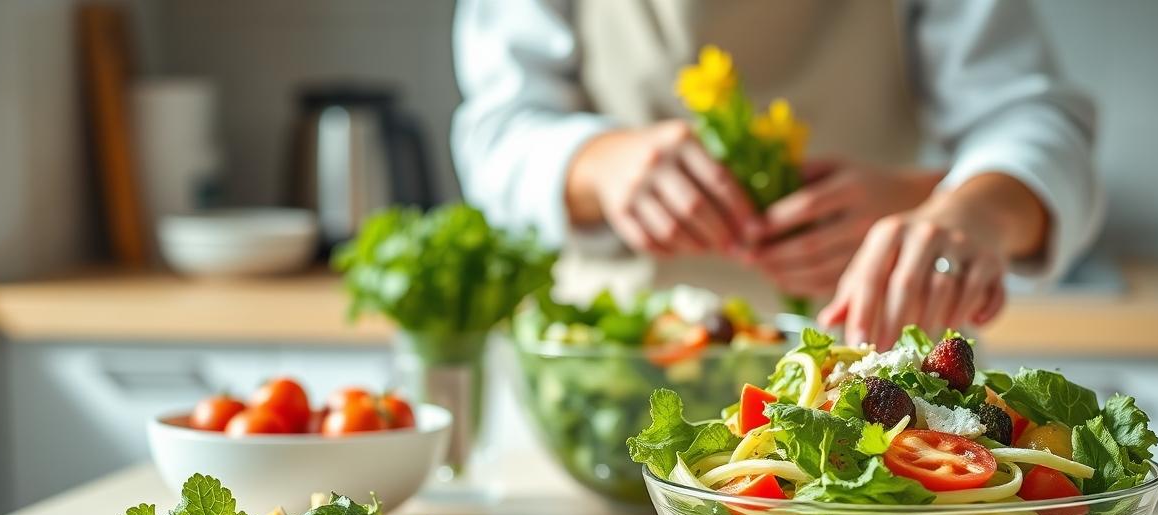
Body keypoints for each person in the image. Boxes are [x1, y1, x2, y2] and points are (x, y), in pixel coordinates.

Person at [450, 0, 1102, 349]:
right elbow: (497, 129)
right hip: (613, 378)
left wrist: (971, 212)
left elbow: (1034, 118)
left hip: (871, 367)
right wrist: (600, 164)